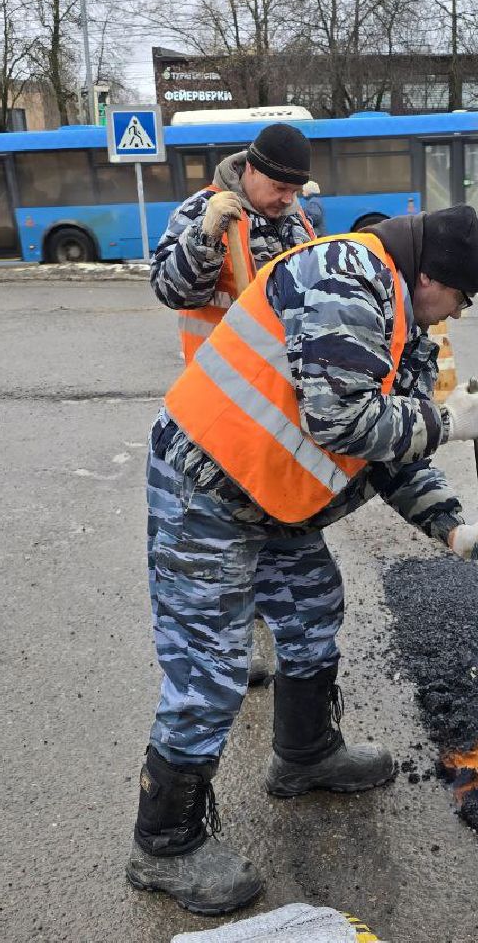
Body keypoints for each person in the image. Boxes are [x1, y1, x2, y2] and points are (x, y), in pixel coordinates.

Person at [130, 205, 478, 915]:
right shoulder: (349, 278)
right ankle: (165, 844)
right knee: (211, 669)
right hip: (208, 485)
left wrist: (455, 529)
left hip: (275, 496)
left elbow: (391, 453)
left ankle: (305, 754)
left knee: (311, 613)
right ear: (431, 278)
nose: (455, 316)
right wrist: (448, 422)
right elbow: (340, 421)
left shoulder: (404, 322)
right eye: (460, 299)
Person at [149, 122, 320, 686]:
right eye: (280, 187)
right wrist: (204, 238)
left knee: (274, 526)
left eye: (296, 190)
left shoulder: (295, 220)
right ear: (250, 170)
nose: (288, 199)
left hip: (279, 406)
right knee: (225, 538)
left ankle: (273, 630)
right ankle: (231, 651)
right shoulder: (202, 210)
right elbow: (172, 290)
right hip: (220, 406)